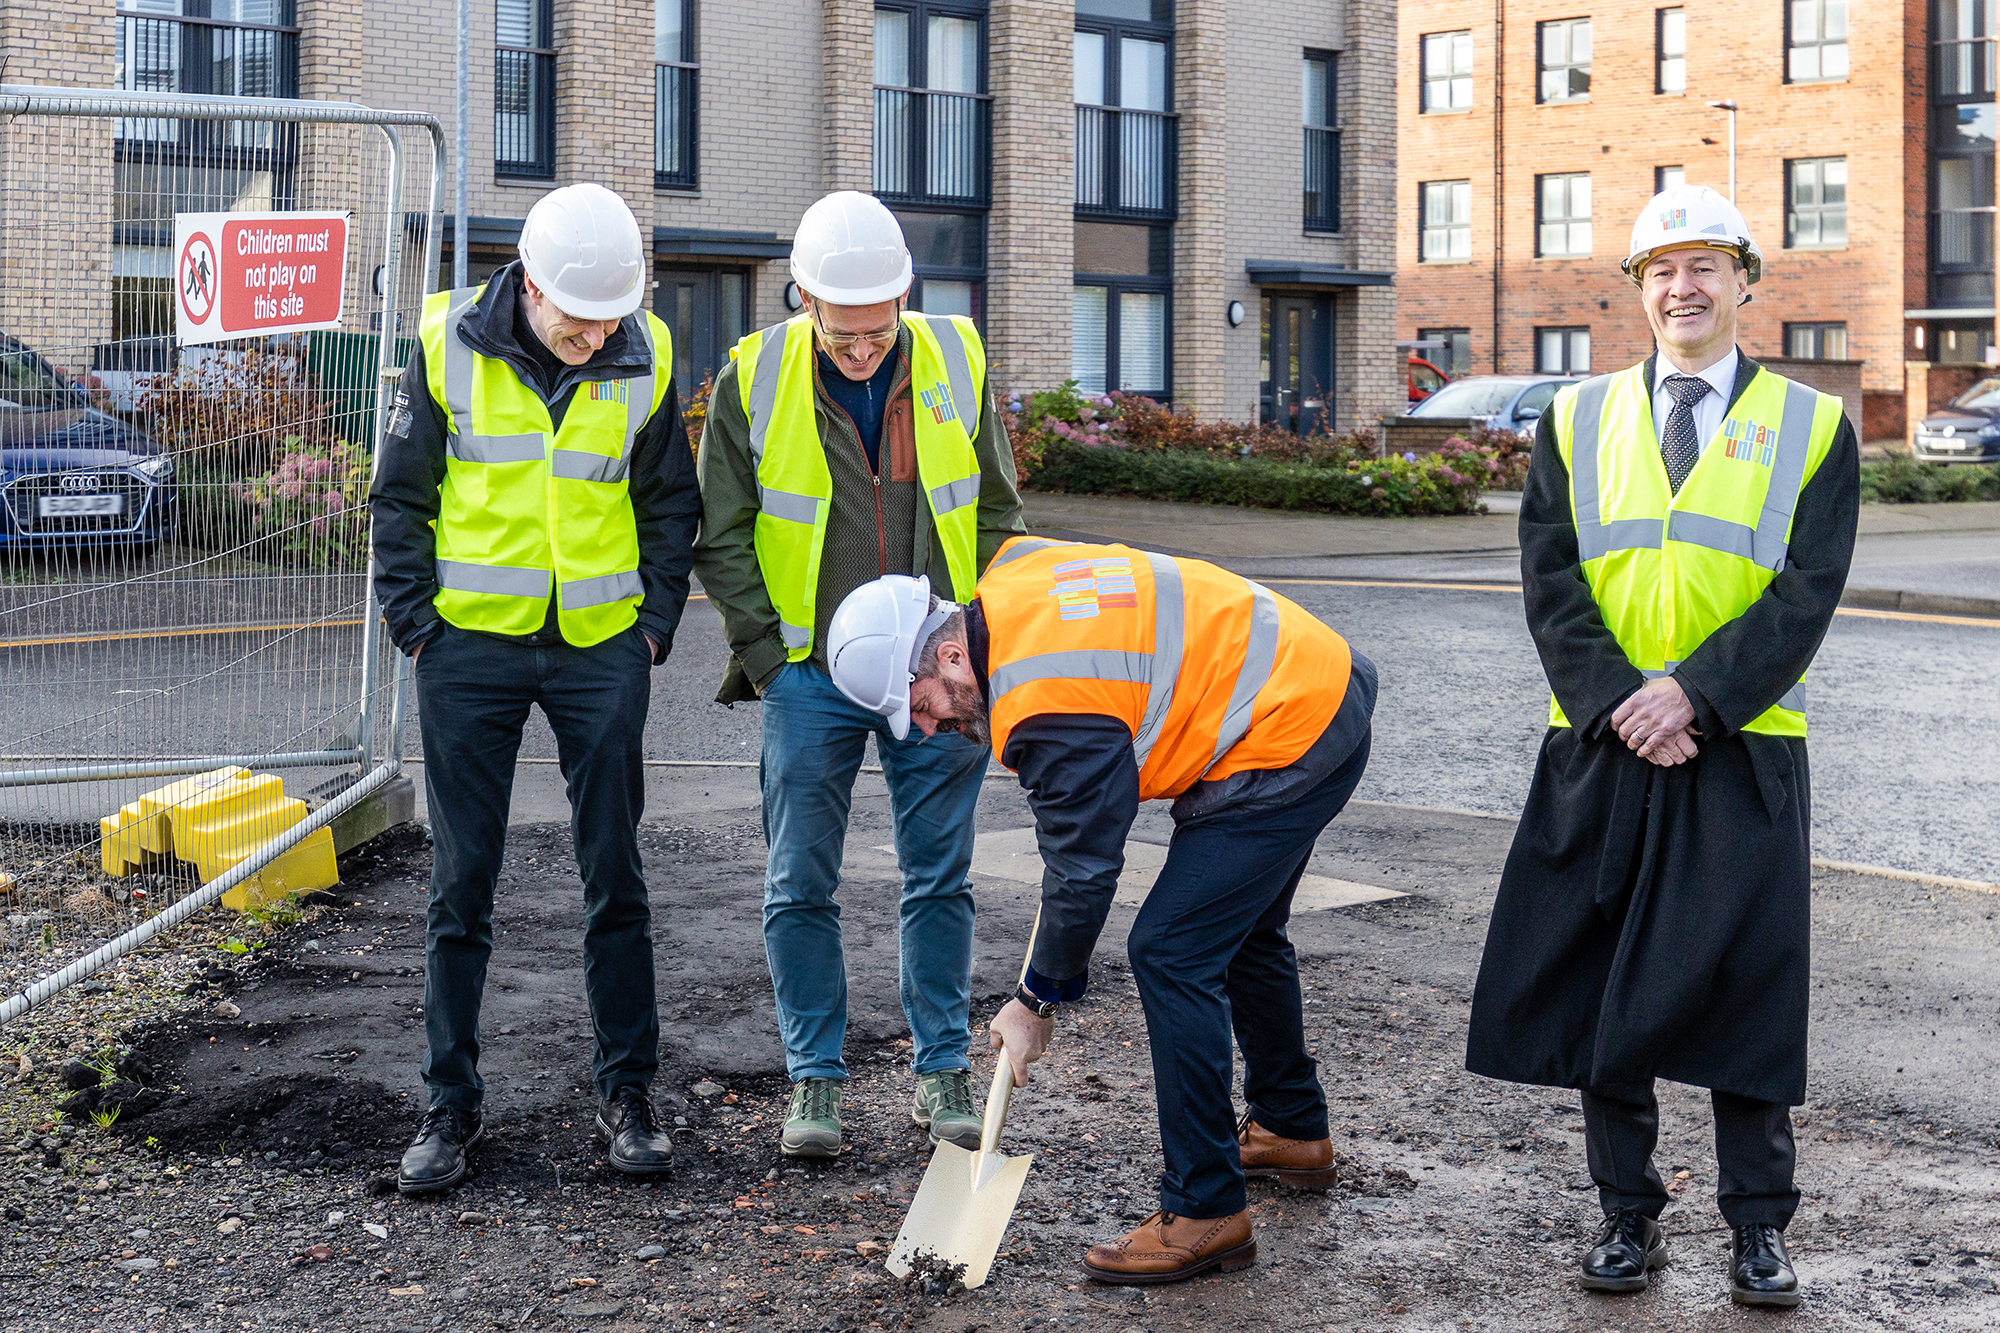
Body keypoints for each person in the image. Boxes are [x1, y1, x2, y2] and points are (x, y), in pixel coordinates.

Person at [1464, 184, 1860, 1308]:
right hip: (1600, 741)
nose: (1680, 290)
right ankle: (1625, 1217)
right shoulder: (1575, 417)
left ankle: (1756, 1229)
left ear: (1743, 280)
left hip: (1739, 746)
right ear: (1636, 291)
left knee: (1745, 989)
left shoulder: (1811, 424)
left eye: (1701, 268)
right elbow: (1548, 578)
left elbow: (1805, 590)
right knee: (1601, 992)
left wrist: (1691, 696)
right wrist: (1619, 700)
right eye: (1658, 272)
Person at [823, 540, 1378, 1285]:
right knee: (1238, 929)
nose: (927, 726)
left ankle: (1206, 1207)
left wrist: (1035, 1001)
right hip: (1317, 681)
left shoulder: (1046, 706)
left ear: (952, 654)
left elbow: (1085, 873)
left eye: (922, 704)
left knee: (1171, 950)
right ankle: (1291, 1126)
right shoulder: (1011, 578)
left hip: (1288, 730)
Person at [369, 182, 701, 1192]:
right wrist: (417, 628)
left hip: (601, 648)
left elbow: (666, 502)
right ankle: (448, 1107)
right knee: (460, 883)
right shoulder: (441, 342)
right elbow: (399, 494)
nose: (594, 336)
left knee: (616, 876)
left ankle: (628, 1096)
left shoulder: (645, 351)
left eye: (609, 318)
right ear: (526, 280)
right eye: (575, 317)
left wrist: (651, 628)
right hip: (468, 650)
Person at [693, 191, 1025, 1158]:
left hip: (939, 669)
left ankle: (940, 1069)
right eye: (843, 337)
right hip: (809, 676)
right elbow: (719, 534)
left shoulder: (956, 357)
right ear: (804, 302)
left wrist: (967, 644)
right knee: (799, 881)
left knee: (941, 875)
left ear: (903, 298)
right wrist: (768, 654)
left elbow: (997, 508)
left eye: (878, 333)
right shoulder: (753, 377)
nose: (863, 352)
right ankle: (814, 1083)